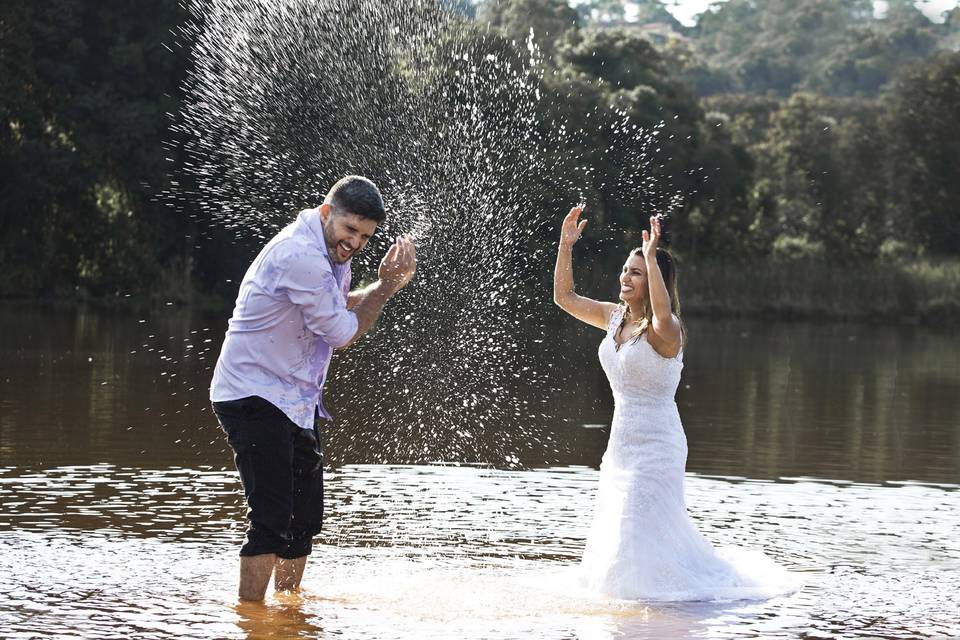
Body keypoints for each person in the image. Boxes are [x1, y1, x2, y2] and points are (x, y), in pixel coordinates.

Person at [554, 205, 795, 601]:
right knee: (619, 528)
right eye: (626, 269)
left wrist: (652, 258)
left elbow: (662, 312)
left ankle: (650, 603)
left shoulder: (666, 332)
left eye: (636, 272)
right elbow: (565, 297)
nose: (625, 277)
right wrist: (565, 246)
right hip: (620, 445)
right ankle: (628, 606)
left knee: (635, 526)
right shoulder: (615, 319)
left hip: (658, 445)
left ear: (655, 281)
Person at [210, 175, 416, 601]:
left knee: (304, 518)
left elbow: (334, 306)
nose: (355, 242)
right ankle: (252, 619)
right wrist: (388, 288)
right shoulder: (301, 255)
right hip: (251, 393)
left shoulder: (328, 251)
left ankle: (286, 612)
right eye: (349, 230)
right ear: (327, 213)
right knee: (271, 517)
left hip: (294, 400)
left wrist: (379, 288)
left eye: (364, 236)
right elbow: (341, 334)